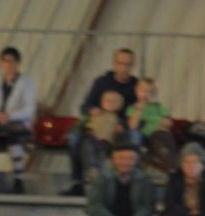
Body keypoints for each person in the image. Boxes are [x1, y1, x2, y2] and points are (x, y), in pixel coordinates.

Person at [64, 48, 138, 194]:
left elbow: (137, 111)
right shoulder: (102, 82)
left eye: (128, 64)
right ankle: (78, 182)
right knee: (74, 138)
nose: (124, 68)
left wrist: (123, 124)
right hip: (98, 124)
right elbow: (85, 106)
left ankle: (129, 183)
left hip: (121, 127)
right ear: (114, 63)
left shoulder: (135, 86)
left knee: (135, 138)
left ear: (132, 66)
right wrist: (92, 110)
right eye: (120, 63)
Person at [0, 46, 35, 194]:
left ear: (18, 63)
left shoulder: (27, 82)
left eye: (12, 61)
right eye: (5, 61)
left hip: (16, 122)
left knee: (14, 137)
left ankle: (18, 180)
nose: (8, 65)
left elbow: (29, 109)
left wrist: (10, 116)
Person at [126, 78, 176, 171]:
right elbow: (132, 126)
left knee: (162, 137)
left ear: (153, 95)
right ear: (136, 91)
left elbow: (169, 122)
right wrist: (139, 110)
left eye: (149, 92)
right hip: (144, 136)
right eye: (143, 91)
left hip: (159, 134)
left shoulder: (158, 106)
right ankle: (136, 161)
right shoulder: (133, 108)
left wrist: (163, 124)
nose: (145, 94)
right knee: (133, 135)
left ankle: (168, 163)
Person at [79, 89, 127, 178]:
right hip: (93, 138)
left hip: (107, 142)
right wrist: (89, 131)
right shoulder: (97, 114)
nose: (110, 103)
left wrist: (120, 131)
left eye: (114, 102)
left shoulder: (118, 119)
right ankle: (91, 168)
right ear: (101, 102)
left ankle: (98, 171)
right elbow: (89, 125)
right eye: (107, 101)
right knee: (87, 147)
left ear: (120, 106)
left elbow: (120, 133)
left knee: (102, 154)